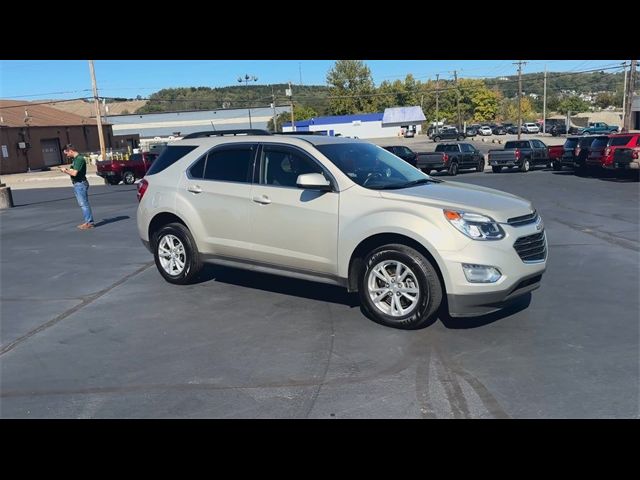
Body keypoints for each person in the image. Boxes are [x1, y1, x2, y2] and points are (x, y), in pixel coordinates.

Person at [60, 144, 95, 229]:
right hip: (77, 183)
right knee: (82, 204)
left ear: (70, 151)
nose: (67, 156)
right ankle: (88, 221)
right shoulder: (75, 160)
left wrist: (65, 171)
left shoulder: (79, 159)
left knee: (84, 204)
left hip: (80, 183)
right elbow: (73, 170)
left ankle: (89, 222)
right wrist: (68, 170)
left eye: (67, 153)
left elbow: (74, 173)